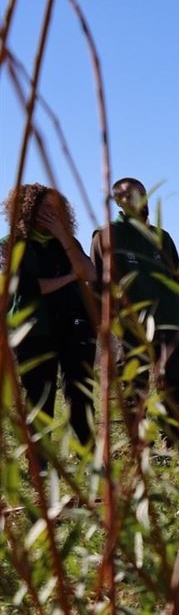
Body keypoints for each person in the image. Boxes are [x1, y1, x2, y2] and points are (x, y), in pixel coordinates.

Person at [90, 177, 179, 447]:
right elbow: (98, 283)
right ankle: (139, 444)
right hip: (133, 325)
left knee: (171, 384)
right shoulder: (107, 235)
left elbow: (177, 278)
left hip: (170, 321)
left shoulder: (162, 237)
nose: (135, 200)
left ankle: (172, 441)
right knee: (135, 385)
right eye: (127, 196)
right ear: (118, 202)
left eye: (140, 193)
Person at [3, 183, 97, 444]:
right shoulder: (11, 244)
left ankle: (89, 453)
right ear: (28, 210)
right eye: (45, 207)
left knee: (80, 394)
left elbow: (90, 273)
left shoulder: (68, 242)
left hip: (75, 327)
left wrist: (63, 237)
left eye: (56, 208)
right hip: (33, 330)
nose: (51, 213)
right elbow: (28, 286)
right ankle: (41, 460)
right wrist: (69, 277)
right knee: (39, 397)